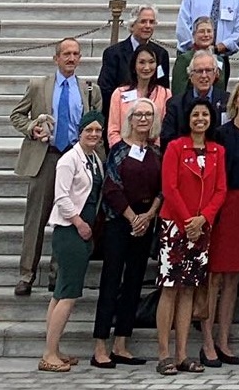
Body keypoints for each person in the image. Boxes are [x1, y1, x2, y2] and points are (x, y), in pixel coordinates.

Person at [11, 38, 101, 296]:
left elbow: (95, 122)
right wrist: (32, 128)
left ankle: (57, 273)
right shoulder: (39, 86)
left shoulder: (89, 89)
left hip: (73, 156)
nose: (71, 58)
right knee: (36, 219)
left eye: (76, 54)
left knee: (67, 216)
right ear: (56, 58)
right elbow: (17, 115)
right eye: (66, 54)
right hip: (46, 156)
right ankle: (26, 274)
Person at [156, 99, 226, 375]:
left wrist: (203, 219)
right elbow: (169, 188)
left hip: (201, 228)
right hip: (175, 226)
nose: (200, 119)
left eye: (205, 114)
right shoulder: (175, 147)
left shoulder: (217, 151)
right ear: (188, 119)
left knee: (189, 290)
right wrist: (188, 222)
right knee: (170, 288)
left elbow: (220, 190)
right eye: (195, 114)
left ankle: (182, 354)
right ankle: (164, 354)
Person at [93, 99, 161, 368]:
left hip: (145, 222)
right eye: (138, 114)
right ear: (130, 119)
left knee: (134, 282)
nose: (143, 119)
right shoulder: (119, 150)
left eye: (148, 114)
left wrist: (149, 215)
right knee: (111, 281)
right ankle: (100, 345)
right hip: (120, 222)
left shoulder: (156, 152)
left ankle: (121, 343)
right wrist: (133, 218)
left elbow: (163, 188)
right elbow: (111, 187)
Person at [38, 111, 106, 373]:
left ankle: (54, 348)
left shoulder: (94, 159)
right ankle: (48, 354)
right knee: (68, 294)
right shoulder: (69, 159)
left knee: (60, 293)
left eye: (97, 130)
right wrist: (79, 222)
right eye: (89, 130)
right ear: (80, 132)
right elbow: (62, 197)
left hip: (84, 231)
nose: (93, 134)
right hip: (70, 231)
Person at [202, 80, 239, 367]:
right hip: (225, 207)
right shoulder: (222, 134)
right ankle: (206, 341)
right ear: (235, 100)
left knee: (233, 279)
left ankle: (224, 340)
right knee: (214, 276)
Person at [98, 5, 170, 120]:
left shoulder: (161, 54)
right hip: (121, 117)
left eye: (151, 22)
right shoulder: (114, 53)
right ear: (132, 25)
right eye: (143, 22)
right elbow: (105, 89)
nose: (148, 26)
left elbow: (163, 89)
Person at [106, 45, 171, 147]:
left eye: (151, 62)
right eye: (142, 62)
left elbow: (165, 130)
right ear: (134, 65)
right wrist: (123, 151)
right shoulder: (119, 94)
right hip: (124, 151)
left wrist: (152, 151)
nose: (147, 67)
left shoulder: (165, 94)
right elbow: (113, 131)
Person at [160, 51, 227, 146]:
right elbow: (167, 139)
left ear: (216, 74)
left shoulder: (228, 101)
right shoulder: (175, 104)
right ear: (190, 75)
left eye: (208, 70)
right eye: (199, 71)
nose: (204, 75)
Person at [172, 17, 228, 96]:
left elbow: (221, 89)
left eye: (209, 31)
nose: (206, 35)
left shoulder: (219, 60)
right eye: (201, 31)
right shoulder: (184, 59)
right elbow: (178, 90)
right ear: (194, 35)